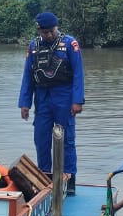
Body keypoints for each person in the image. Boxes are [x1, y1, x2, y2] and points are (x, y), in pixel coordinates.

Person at [19, 11, 85, 194]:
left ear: (56, 27)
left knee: (66, 139)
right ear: (39, 30)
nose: (48, 35)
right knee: (41, 138)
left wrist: (77, 100)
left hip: (64, 95)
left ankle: (69, 179)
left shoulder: (70, 44)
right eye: (44, 32)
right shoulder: (33, 46)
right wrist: (25, 103)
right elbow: (28, 76)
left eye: (51, 31)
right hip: (42, 97)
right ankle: (46, 177)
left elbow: (78, 73)